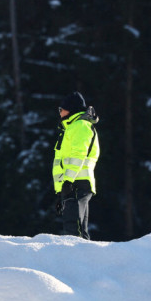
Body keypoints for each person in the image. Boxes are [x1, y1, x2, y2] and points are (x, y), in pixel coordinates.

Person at [53, 91, 100, 239]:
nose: (60, 112)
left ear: (70, 109)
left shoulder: (80, 126)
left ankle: (77, 253)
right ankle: (81, 253)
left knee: (74, 229)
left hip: (77, 183)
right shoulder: (70, 128)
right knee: (76, 227)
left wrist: (68, 180)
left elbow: (78, 155)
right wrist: (60, 191)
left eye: (61, 109)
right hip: (72, 183)